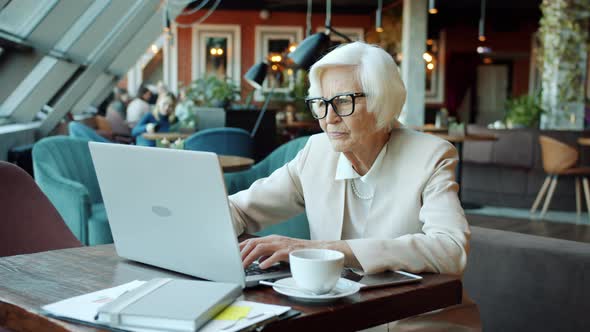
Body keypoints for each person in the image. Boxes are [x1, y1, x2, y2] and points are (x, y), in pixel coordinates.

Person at [229, 42, 474, 330]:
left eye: (343, 101)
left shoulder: (430, 156)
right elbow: (240, 209)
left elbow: (451, 249)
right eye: (321, 103)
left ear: (382, 102)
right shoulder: (317, 152)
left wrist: (329, 249)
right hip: (337, 317)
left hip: (415, 320)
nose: (329, 117)